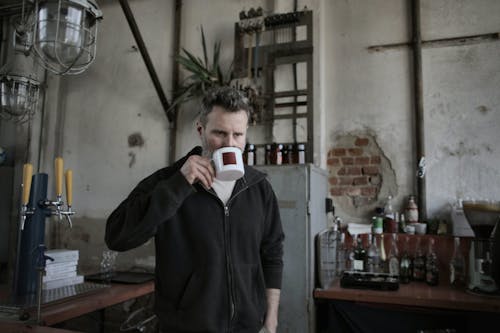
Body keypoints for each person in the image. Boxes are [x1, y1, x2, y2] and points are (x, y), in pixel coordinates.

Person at [105, 86, 284, 333]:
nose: (229, 144)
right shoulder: (167, 181)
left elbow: (272, 253)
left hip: (246, 327)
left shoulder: (259, 188)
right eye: (220, 133)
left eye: (238, 135)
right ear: (201, 130)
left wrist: (271, 317)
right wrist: (179, 185)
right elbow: (117, 236)